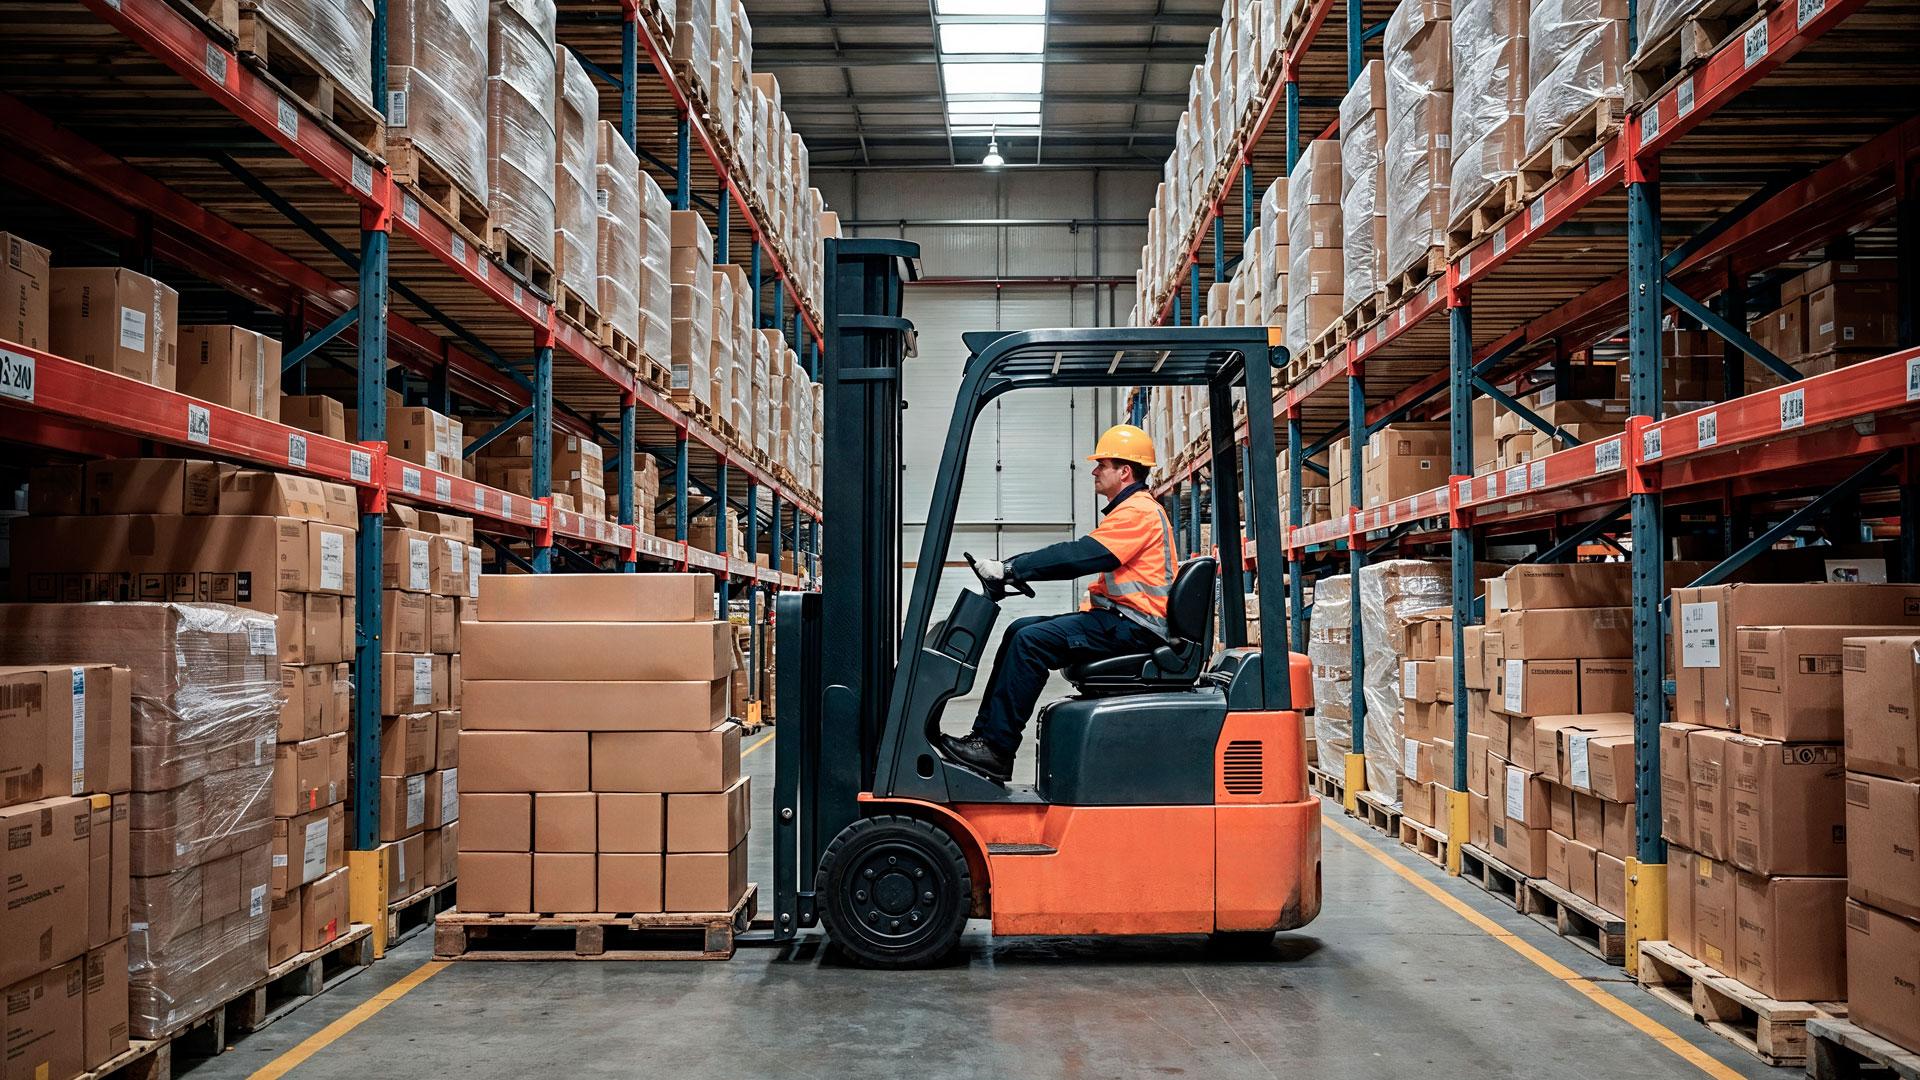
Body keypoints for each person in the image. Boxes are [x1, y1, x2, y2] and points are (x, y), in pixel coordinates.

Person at [940, 423, 1177, 782]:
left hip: (1137, 628)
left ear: (1125, 471)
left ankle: (996, 748)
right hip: (1123, 621)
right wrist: (1014, 570)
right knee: (1022, 628)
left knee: (1031, 641)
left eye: (1102, 465)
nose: (1095, 471)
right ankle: (985, 739)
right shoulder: (1132, 511)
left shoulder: (1138, 513)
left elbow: (1079, 556)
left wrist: (1012, 567)